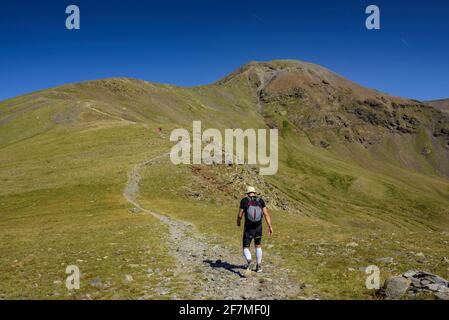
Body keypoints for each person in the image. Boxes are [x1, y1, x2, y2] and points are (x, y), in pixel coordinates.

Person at [237, 186, 273, 274]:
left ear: (247, 193)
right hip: (258, 226)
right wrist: (270, 226)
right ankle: (259, 266)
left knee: (246, 246)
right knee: (258, 245)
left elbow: (240, 214)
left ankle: (249, 261)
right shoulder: (260, 200)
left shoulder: (244, 200)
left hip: (248, 226)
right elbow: (266, 214)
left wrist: (238, 221)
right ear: (254, 192)